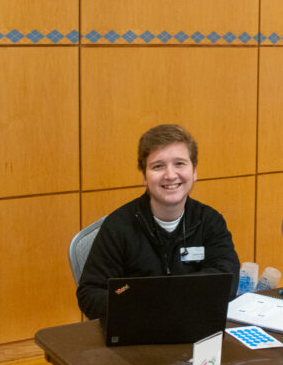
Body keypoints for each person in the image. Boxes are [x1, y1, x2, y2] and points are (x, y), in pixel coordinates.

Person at [76, 124, 240, 319]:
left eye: (179, 163)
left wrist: (170, 295)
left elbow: (227, 278)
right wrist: (143, 303)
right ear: (144, 176)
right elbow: (90, 293)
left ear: (194, 171)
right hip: (135, 330)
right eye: (158, 166)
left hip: (194, 325)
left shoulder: (210, 221)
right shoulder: (118, 227)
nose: (170, 175)